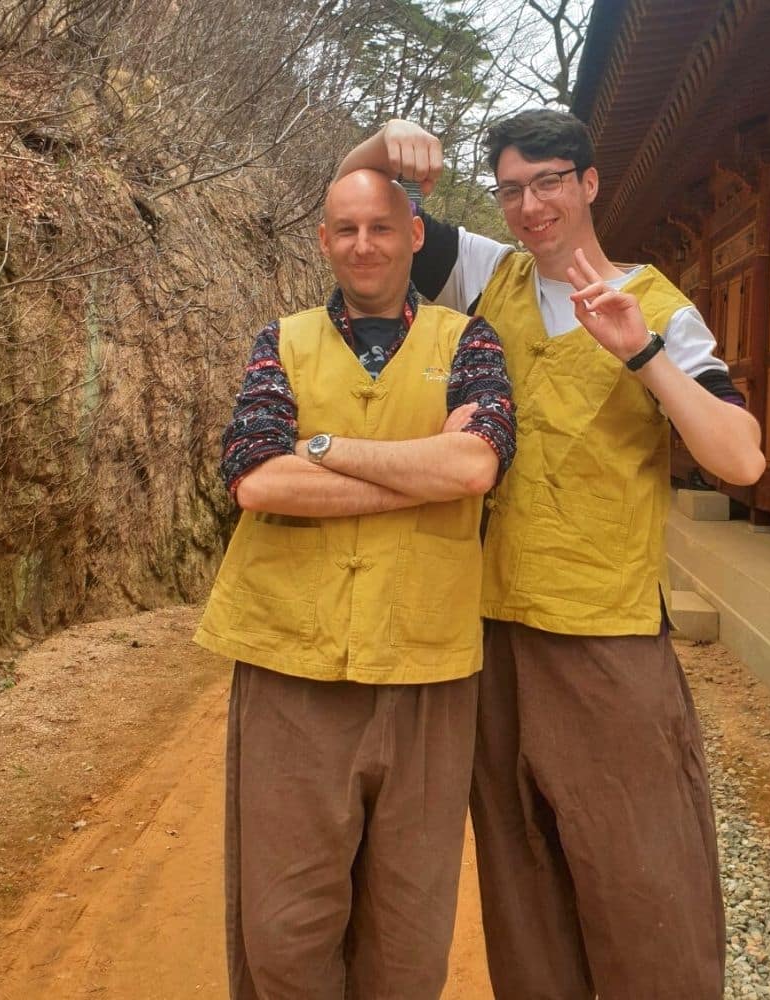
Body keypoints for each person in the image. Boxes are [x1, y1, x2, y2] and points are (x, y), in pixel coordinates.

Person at [337, 111, 766, 999]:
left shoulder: (660, 307)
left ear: (590, 183)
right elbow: (358, 206)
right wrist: (384, 145)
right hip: (490, 632)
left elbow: (742, 459)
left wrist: (640, 352)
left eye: (550, 182)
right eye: (511, 189)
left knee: (645, 872)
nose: (530, 206)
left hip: (604, 633)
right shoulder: (490, 274)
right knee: (519, 867)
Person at [194, 168, 515, 1000]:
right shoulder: (283, 341)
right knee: (285, 920)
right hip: (289, 658)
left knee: (409, 925)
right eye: (346, 229)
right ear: (325, 241)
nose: (363, 244)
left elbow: (478, 461)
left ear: (415, 235)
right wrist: (421, 470)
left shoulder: (469, 341)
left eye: (381, 226)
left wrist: (326, 449)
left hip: (425, 661)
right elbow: (258, 479)